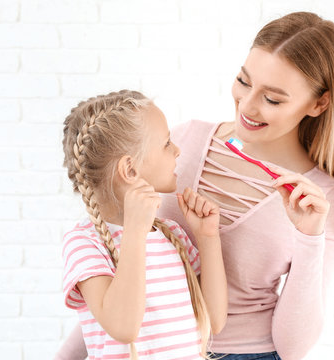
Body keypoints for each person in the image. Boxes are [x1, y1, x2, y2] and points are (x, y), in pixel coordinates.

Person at [57, 11, 334, 360]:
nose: (246, 105)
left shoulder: (323, 200)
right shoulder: (183, 141)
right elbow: (122, 273)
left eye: (272, 99)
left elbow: (293, 347)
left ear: (319, 103)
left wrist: (309, 237)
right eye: (243, 81)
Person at [61, 90, 228, 360]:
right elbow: (123, 328)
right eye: (166, 143)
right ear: (130, 170)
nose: (177, 150)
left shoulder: (172, 234)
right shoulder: (85, 243)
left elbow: (214, 321)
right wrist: (135, 234)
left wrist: (208, 237)